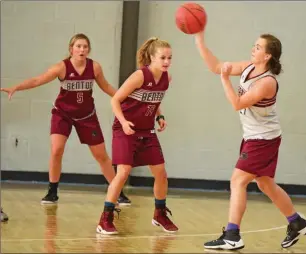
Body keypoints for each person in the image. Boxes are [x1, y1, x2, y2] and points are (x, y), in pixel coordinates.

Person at [194, 31, 306, 250]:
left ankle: (232, 234)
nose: (253, 48)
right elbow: (216, 66)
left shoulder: (267, 82)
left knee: (238, 181)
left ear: (267, 56)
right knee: (265, 183)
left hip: (263, 139)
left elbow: (238, 103)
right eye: (254, 45)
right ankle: (297, 222)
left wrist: (224, 80)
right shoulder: (249, 66)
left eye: (258, 47)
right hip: (254, 136)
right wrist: (199, 39)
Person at [0, 33, 124, 205]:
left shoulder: (94, 67)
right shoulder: (62, 67)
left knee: (101, 155)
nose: (82, 49)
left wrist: (125, 98)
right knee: (56, 150)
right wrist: (16, 87)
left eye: (85, 47)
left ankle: (117, 190)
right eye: (78, 46)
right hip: (62, 114)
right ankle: (52, 191)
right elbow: (37, 80)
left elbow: (107, 87)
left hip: (87, 116)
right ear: (71, 49)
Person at [96, 37, 178, 235]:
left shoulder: (167, 78)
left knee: (161, 173)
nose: (166, 61)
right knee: (123, 172)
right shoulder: (139, 76)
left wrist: (160, 116)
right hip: (125, 129)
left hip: (147, 131)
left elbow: (154, 100)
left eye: (169, 58)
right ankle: (105, 218)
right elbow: (115, 100)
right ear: (151, 57)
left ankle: (159, 214)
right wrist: (124, 122)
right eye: (162, 57)